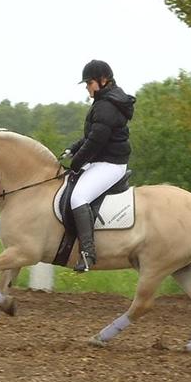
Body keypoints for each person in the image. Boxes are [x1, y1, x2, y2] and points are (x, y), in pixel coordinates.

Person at [62, 59, 135, 272]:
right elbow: (92, 135)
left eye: (89, 84)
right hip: (103, 161)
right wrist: (73, 148)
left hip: (110, 164)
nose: (87, 89)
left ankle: (87, 253)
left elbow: (96, 142)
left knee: (78, 198)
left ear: (103, 81)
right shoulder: (106, 101)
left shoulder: (106, 105)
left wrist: (76, 163)